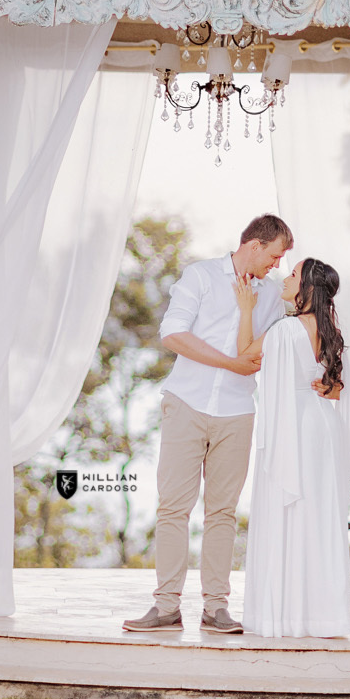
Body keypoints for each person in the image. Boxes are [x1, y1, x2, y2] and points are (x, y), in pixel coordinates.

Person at [122, 213, 293, 635]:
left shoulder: (271, 296)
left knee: (222, 513)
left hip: (237, 413)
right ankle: (165, 606)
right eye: (274, 256)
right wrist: (231, 362)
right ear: (254, 245)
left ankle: (216, 607)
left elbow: (258, 355)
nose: (276, 266)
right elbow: (173, 334)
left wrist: (241, 361)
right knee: (172, 509)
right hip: (186, 404)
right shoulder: (199, 276)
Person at [237, 257, 350, 638]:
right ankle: (322, 616)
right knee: (319, 515)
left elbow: (245, 356)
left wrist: (247, 310)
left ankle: (285, 615)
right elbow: (335, 389)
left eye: (292, 274)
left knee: (291, 513)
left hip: (296, 429)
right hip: (323, 427)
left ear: (305, 286)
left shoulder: (286, 330)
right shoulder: (330, 328)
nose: (285, 279)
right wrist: (320, 385)